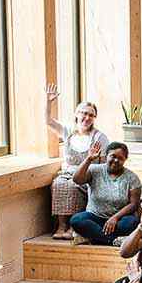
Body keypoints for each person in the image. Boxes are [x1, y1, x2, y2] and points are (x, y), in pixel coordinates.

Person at [45, 85, 108, 240]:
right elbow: (48, 121)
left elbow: (104, 163)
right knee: (59, 184)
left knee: (75, 186)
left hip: (87, 174)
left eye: (91, 115)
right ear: (77, 114)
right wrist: (48, 102)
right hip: (67, 172)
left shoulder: (99, 137)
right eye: (84, 113)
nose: (87, 118)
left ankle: (74, 226)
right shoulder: (68, 131)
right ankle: (61, 226)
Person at [69, 140, 142, 245]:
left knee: (132, 223)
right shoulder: (95, 170)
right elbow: (77, 179)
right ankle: (113, 240)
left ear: (125, 159)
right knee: (76, 220)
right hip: (94, 217)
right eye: (113, 156)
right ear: (106, 156)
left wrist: (115, 218)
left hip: (118, 220)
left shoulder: (132, 178)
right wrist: (89, 159)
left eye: (120, 158)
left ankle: (95, 236)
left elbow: (134, 204)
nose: (116, 160)